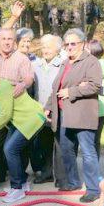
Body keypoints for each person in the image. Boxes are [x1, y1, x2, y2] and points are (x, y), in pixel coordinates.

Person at [45, 29, 102, 202]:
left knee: (87, 152)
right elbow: (57, 87)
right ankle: (73, 181)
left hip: (82, 115)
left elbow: (95, 85)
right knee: (67, 150)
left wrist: (72, 91)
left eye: (73, 43)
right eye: (67, 44)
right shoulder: (65, 62)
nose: (70, 47)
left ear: (83, 44)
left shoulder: (91, 62)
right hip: (64, 115)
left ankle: (93, 189)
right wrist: (49, 106)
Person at [0, 61, 46, 203]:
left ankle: (17, 189)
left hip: (31, 119)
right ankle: (23, 182)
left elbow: (5, 115)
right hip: (19, 122)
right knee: (11, 149)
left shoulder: (4, 86)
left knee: (10, 149)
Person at [0, 28, 35, 184]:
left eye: (10, 39)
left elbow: (29, 78)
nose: (6, 42)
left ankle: (20, 176)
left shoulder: (22, 59)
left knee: (18, 145)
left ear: (14, 42)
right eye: (3, 39)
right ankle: (1, 172)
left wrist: (23, 84)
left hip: (17, 109)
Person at [31, 35, 64, 184]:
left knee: (58, 144)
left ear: (57, 49)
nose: (45, 50)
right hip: (40, 111)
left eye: (49, 47)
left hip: (57, 110)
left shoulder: (63, 65)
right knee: (43, 143)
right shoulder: (35, 65)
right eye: (43, 47)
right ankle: (46, 172)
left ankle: (60, 175)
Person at [86, 39, 104, 157]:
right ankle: (94, 165)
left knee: (90, 140)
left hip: (95, 107)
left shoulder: (95, 65)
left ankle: (92, 165)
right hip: (103, 109)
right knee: (95, 139)